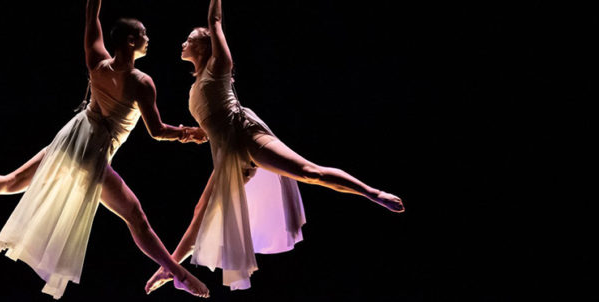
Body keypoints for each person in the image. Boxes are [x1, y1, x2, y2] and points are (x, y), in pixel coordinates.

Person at [0, 0, 211, 298]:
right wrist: (191, 133)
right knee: (137, 218)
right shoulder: (141, 82)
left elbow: (91, 16)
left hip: (71, 138)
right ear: (131, 41)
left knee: (11, 182)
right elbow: (157, 131)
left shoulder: (96, 61)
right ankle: (179, 273)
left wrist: (93, 7)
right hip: (92, 152)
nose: (149, 38)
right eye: (144, 34)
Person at [144, 0, 405, 294]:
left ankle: (373, 193)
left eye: (189, 40)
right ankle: (170, 270)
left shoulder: (219, 66)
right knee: (201, 212)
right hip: (227, 155)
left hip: (247, 136)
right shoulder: (196, 85)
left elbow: (215, 21)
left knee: (309, 172)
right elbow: (210, 119)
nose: (183, 43)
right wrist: (193, 132)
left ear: (203, 47)